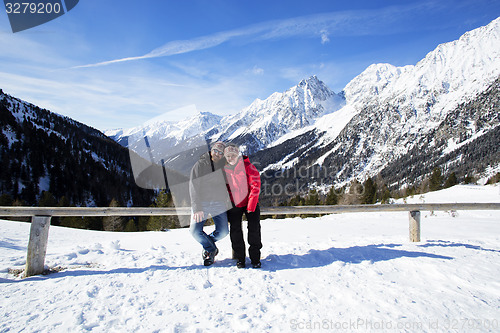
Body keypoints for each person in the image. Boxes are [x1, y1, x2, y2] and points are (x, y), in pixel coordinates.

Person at [189, 141, 230, 266]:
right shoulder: (201, 164)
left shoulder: (225, 166)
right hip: (202, 203)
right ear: (211, 150)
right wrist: (197, 207)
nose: (217, 154)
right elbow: (193, 186)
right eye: (215, 151)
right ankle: (211, 249)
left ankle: (208, 246)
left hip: (219, 203)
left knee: (223, 231)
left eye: (220, 153)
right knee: (195, 231)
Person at [223, 143, 262, 268]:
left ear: (238, 155)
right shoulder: (225, 169)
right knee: (235, 231)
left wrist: (251, 205)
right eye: (228, 156)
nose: (231, 158)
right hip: (235, 203)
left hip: (251, 202)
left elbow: (255, 186)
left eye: (233, 155)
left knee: (254, 229)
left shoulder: (247, 166)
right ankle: (240, 258)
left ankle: (255, 258)